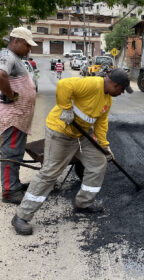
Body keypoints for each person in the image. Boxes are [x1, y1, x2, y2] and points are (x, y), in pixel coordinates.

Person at [12, 69, 133, 235]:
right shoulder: (92, 84)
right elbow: (63, 84)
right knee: (50, 173)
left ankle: (84, 203)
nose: (121, 93)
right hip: (60, 132)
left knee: (98, 163)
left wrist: (104, 146)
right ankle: (21, 216)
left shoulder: (107, 99)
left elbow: (101, 123)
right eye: (121, 90)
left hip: (81, 135)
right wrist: (66, 108)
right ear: (115, 85)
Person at [0, 27, 38, 204]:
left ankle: (14, 184)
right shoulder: (7, 55)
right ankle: (9, 191)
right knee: (11, 152)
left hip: (19, 116)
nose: (29, 49)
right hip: (14, 116)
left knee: (16, 152)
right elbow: (1, 75)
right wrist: (10, 95)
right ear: (16, 41)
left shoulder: (15, 58)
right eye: (27, 45)